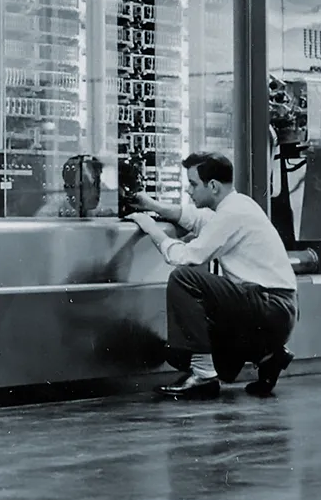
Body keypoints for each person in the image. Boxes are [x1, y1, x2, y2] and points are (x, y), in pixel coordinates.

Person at [127, 152, 299, 400]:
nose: (188, 190)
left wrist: (149, 226)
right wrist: (153, 206)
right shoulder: (238, 204)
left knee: (184, 278)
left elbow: (185, 257)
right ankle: (268, 356)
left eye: (194, 184)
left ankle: (204, 375)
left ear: (214, 186)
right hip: (279, 309)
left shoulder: (232, 214)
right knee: (195, 355)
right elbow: (197, 219)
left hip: (269, 306)